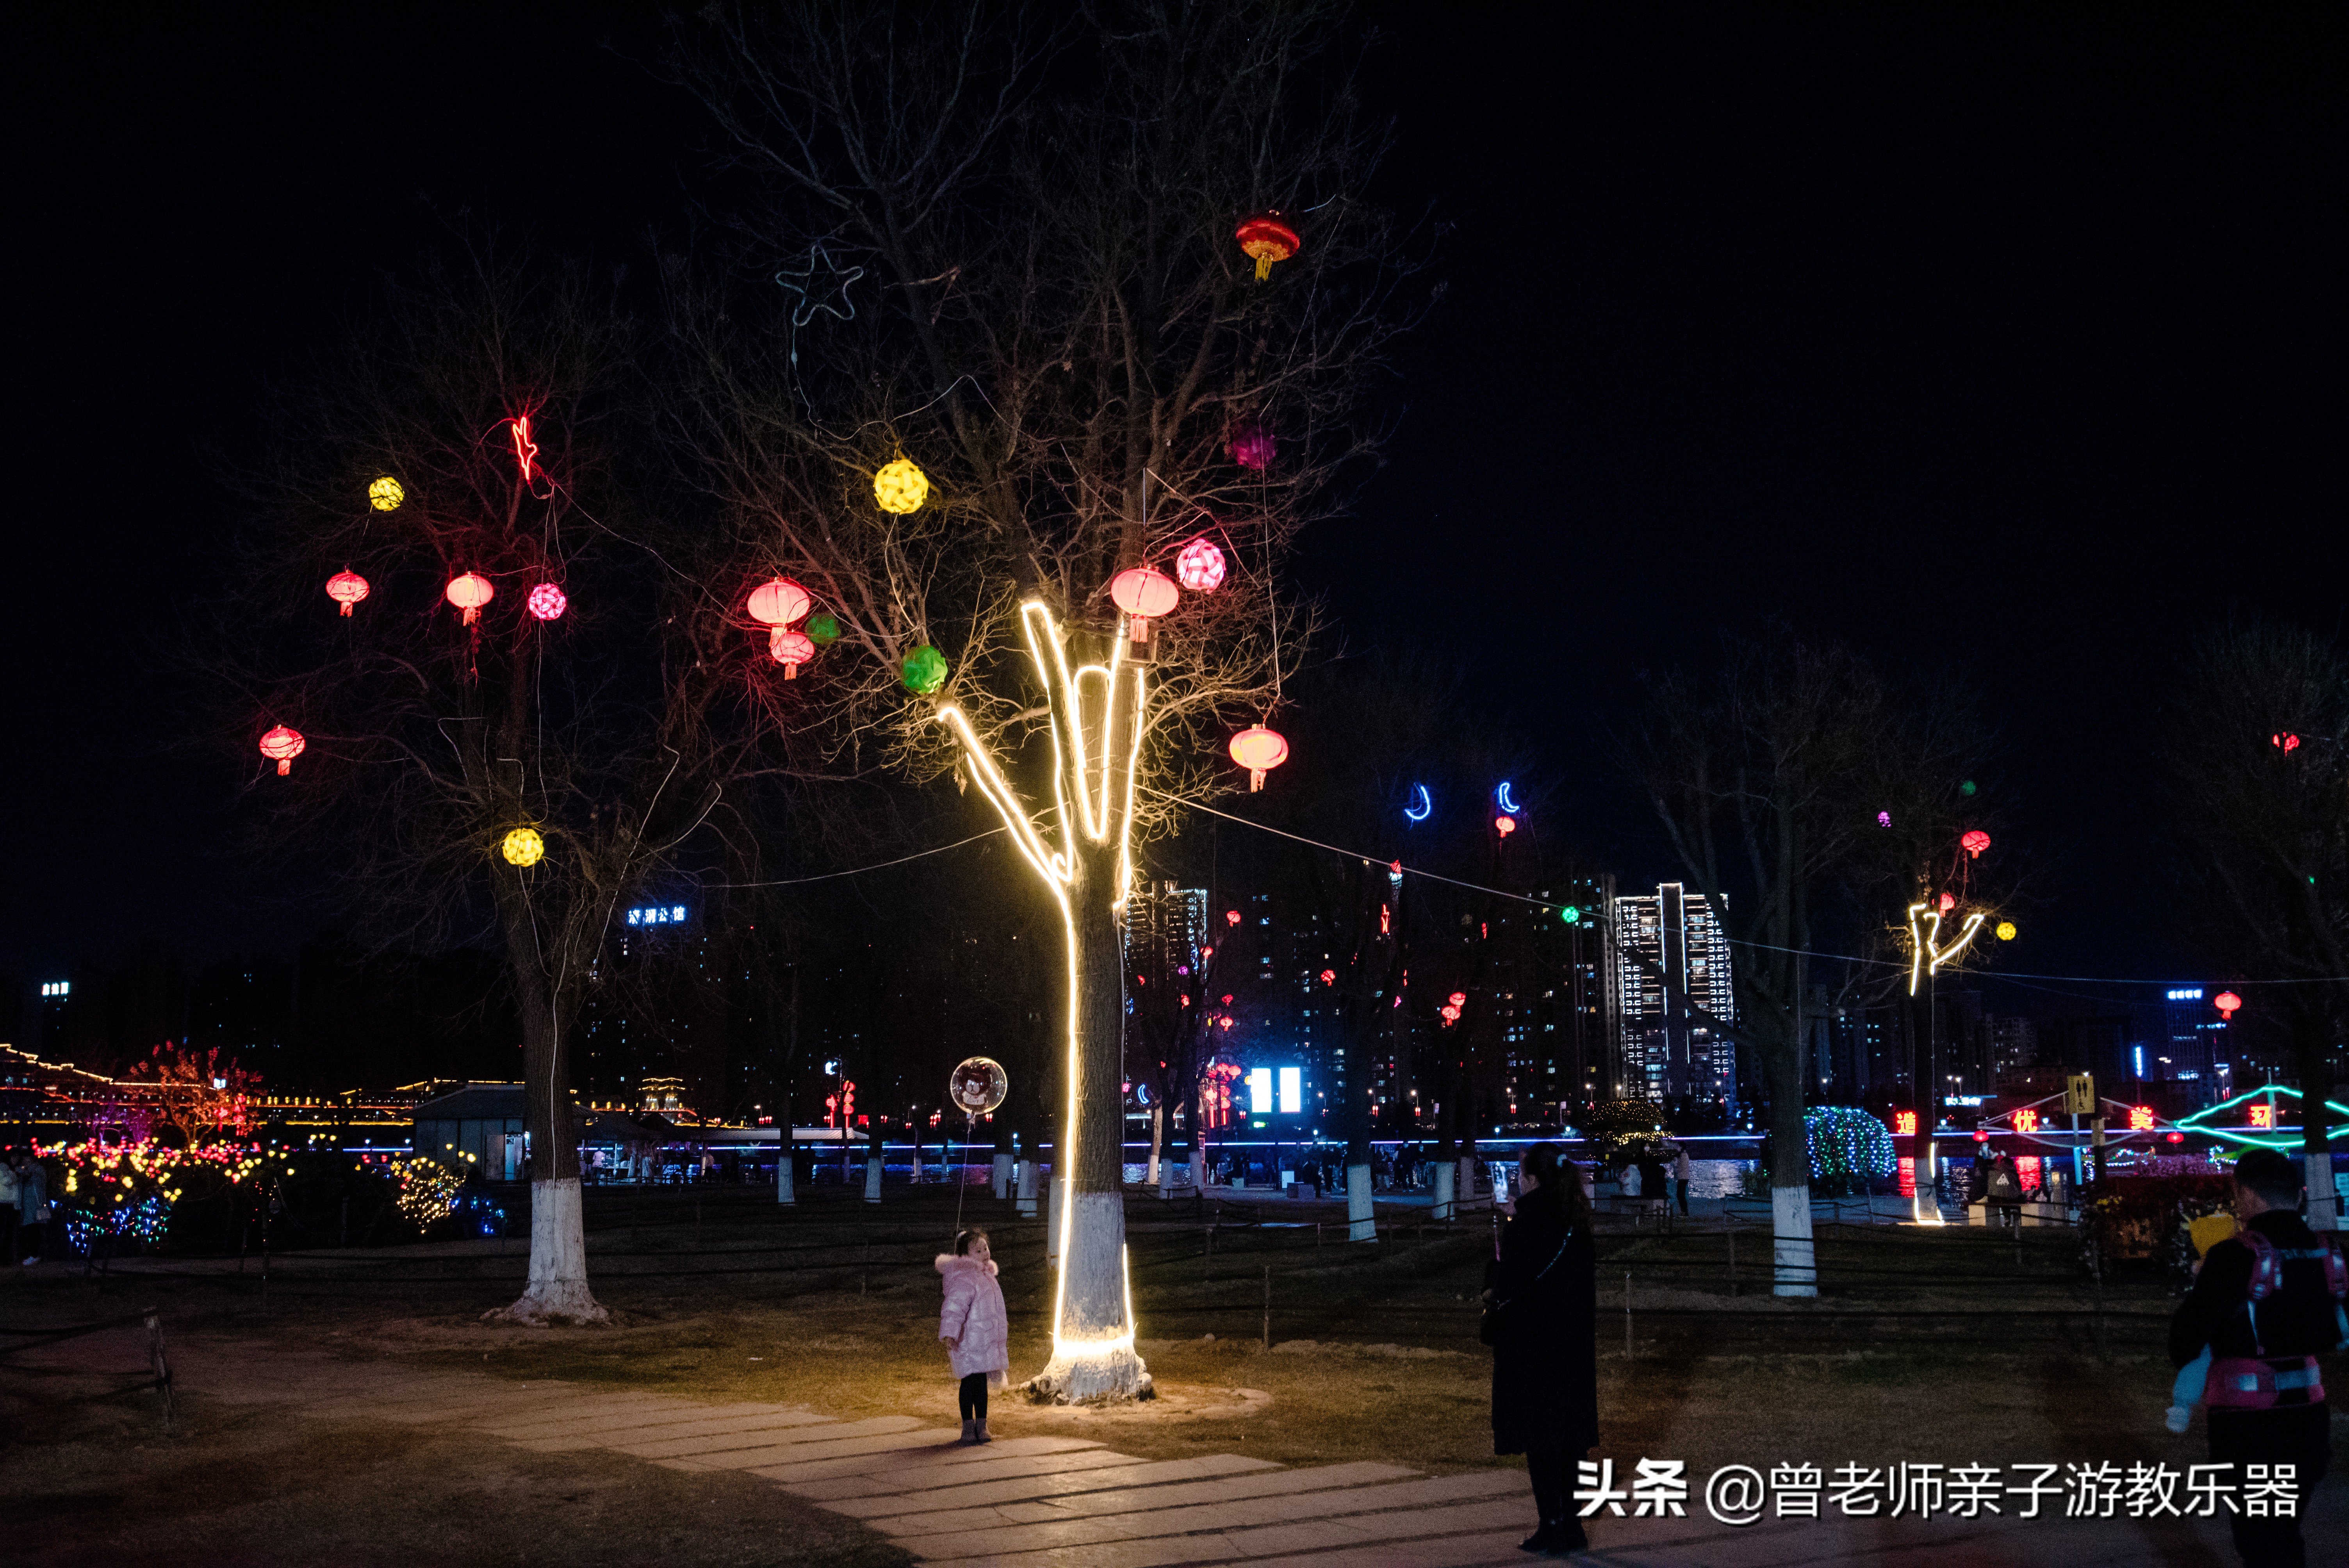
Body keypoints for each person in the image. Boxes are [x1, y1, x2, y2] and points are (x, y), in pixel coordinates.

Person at [2168, 1149, 2344, 1566]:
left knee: (2258, 1537)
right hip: (2309, 1415)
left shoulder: (2233, 1256)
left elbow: (2185, 1340)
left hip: (2247, 1423)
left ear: (2246, 1195)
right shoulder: (2328, 1250)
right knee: (2285, 1528)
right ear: (2299, 1196)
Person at [1485, 1142, 1599, 1557]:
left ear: (1531, 1179)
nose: (1517, 1178)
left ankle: (1550, 1525)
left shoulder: (1526, 1224)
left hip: (1532, 1350)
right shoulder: (1576, 1220)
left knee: (1542, 1441)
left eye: (1520, 1172)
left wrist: (1510, 1228)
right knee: (1569, 1441)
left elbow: (1510, 1282)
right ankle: (1572, 1524)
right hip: (1572, 1349)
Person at [937, 1227, 1009, 1445]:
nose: (985, 1253)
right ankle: (968, 1427)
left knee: (982, 1385)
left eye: (985, 1248)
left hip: (985, 1341)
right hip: (969, 1342)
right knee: (970, 1382)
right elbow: (954, 1307)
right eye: (978, 1250)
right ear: (966, 1256)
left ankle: (982, 1424)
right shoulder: (964, 1277)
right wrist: (950, 1332)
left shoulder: (987, 1276)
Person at [1670, 1144, 1693, 1216]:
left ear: (1681, 1147)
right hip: (1684, 1177)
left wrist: (1675, 1165)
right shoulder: (1684, 1155)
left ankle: (1685, 1212)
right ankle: (1684, 1212)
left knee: (1680, 1195)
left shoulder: (1683, 1155)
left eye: (1678, 1146)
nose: (1676, 1148)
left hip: (1683, 1178)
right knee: (1681, 1195)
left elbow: (1681, 1167)